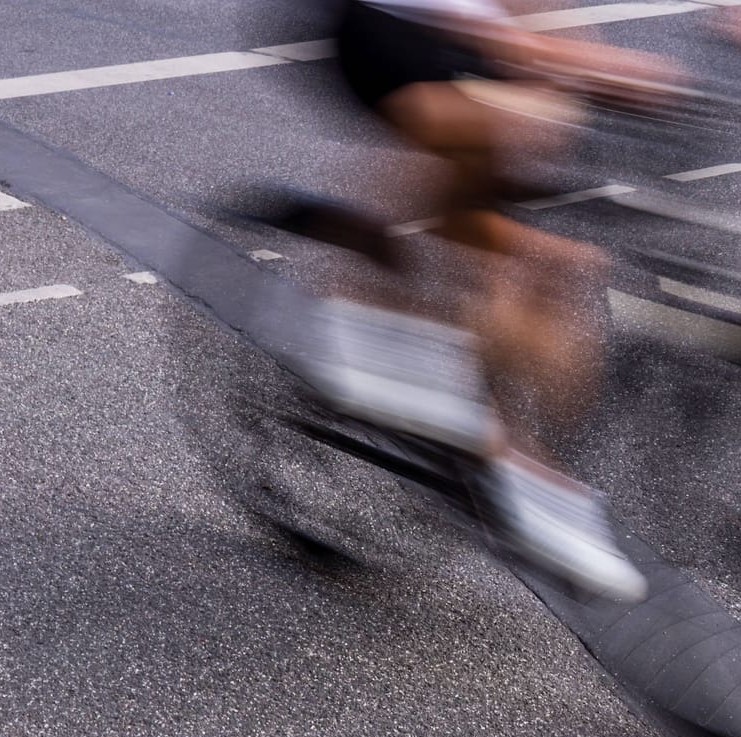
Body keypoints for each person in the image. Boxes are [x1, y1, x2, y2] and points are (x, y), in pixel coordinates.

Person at [293, 0, 686, 603]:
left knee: (532, 232)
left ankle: (506, 440)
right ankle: (381, 326)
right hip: (388, 26)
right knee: (517, 137)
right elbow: (525, 29)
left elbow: (546, 16)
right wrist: (579, 62)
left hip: (465, 44)